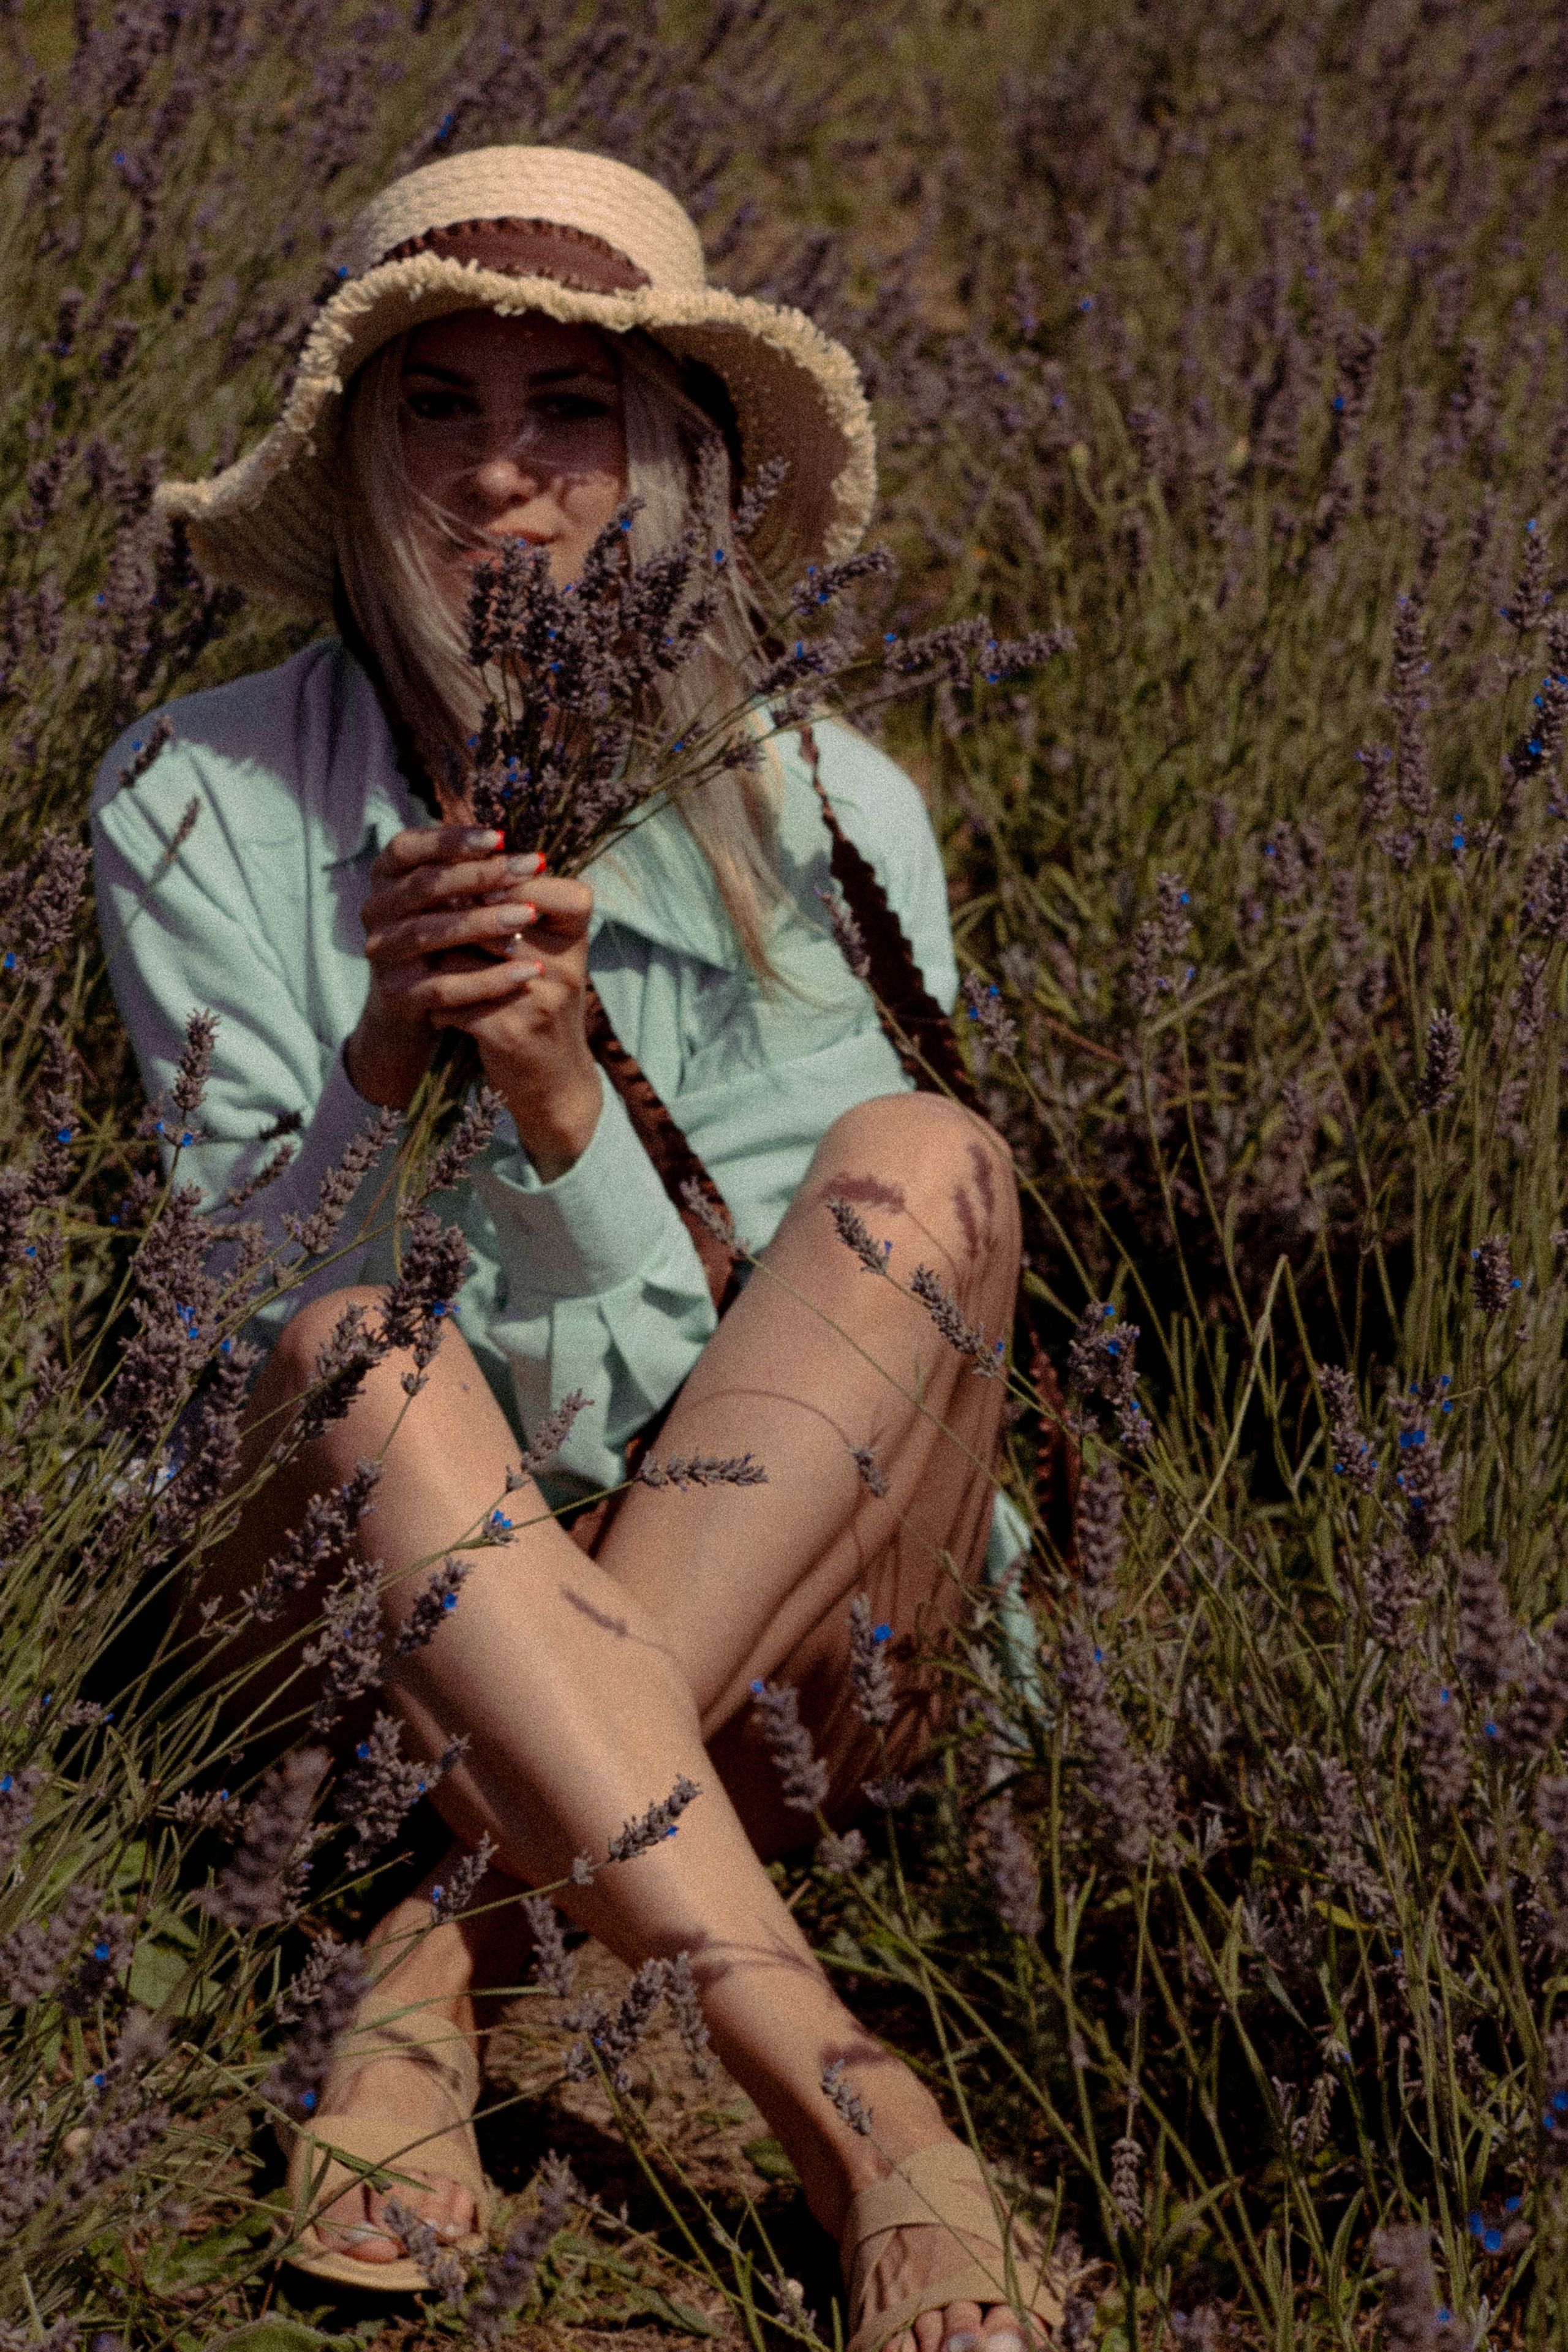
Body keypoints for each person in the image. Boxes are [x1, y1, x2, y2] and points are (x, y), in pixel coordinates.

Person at [91, 146, 1050, 2352]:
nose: (504, 476)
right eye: (439, 404)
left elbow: (808, 1402)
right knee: (350, 1342)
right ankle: (864, 2115)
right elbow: (222, 1352)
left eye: (573, 409)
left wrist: (556, 1118)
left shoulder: (828, 811)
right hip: (359, 1620)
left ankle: (437, 1963)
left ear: (673, 460)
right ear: (355, 451)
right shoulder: (192, 800)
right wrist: (376, 1065)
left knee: (931, 1158)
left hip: (794, 1635)